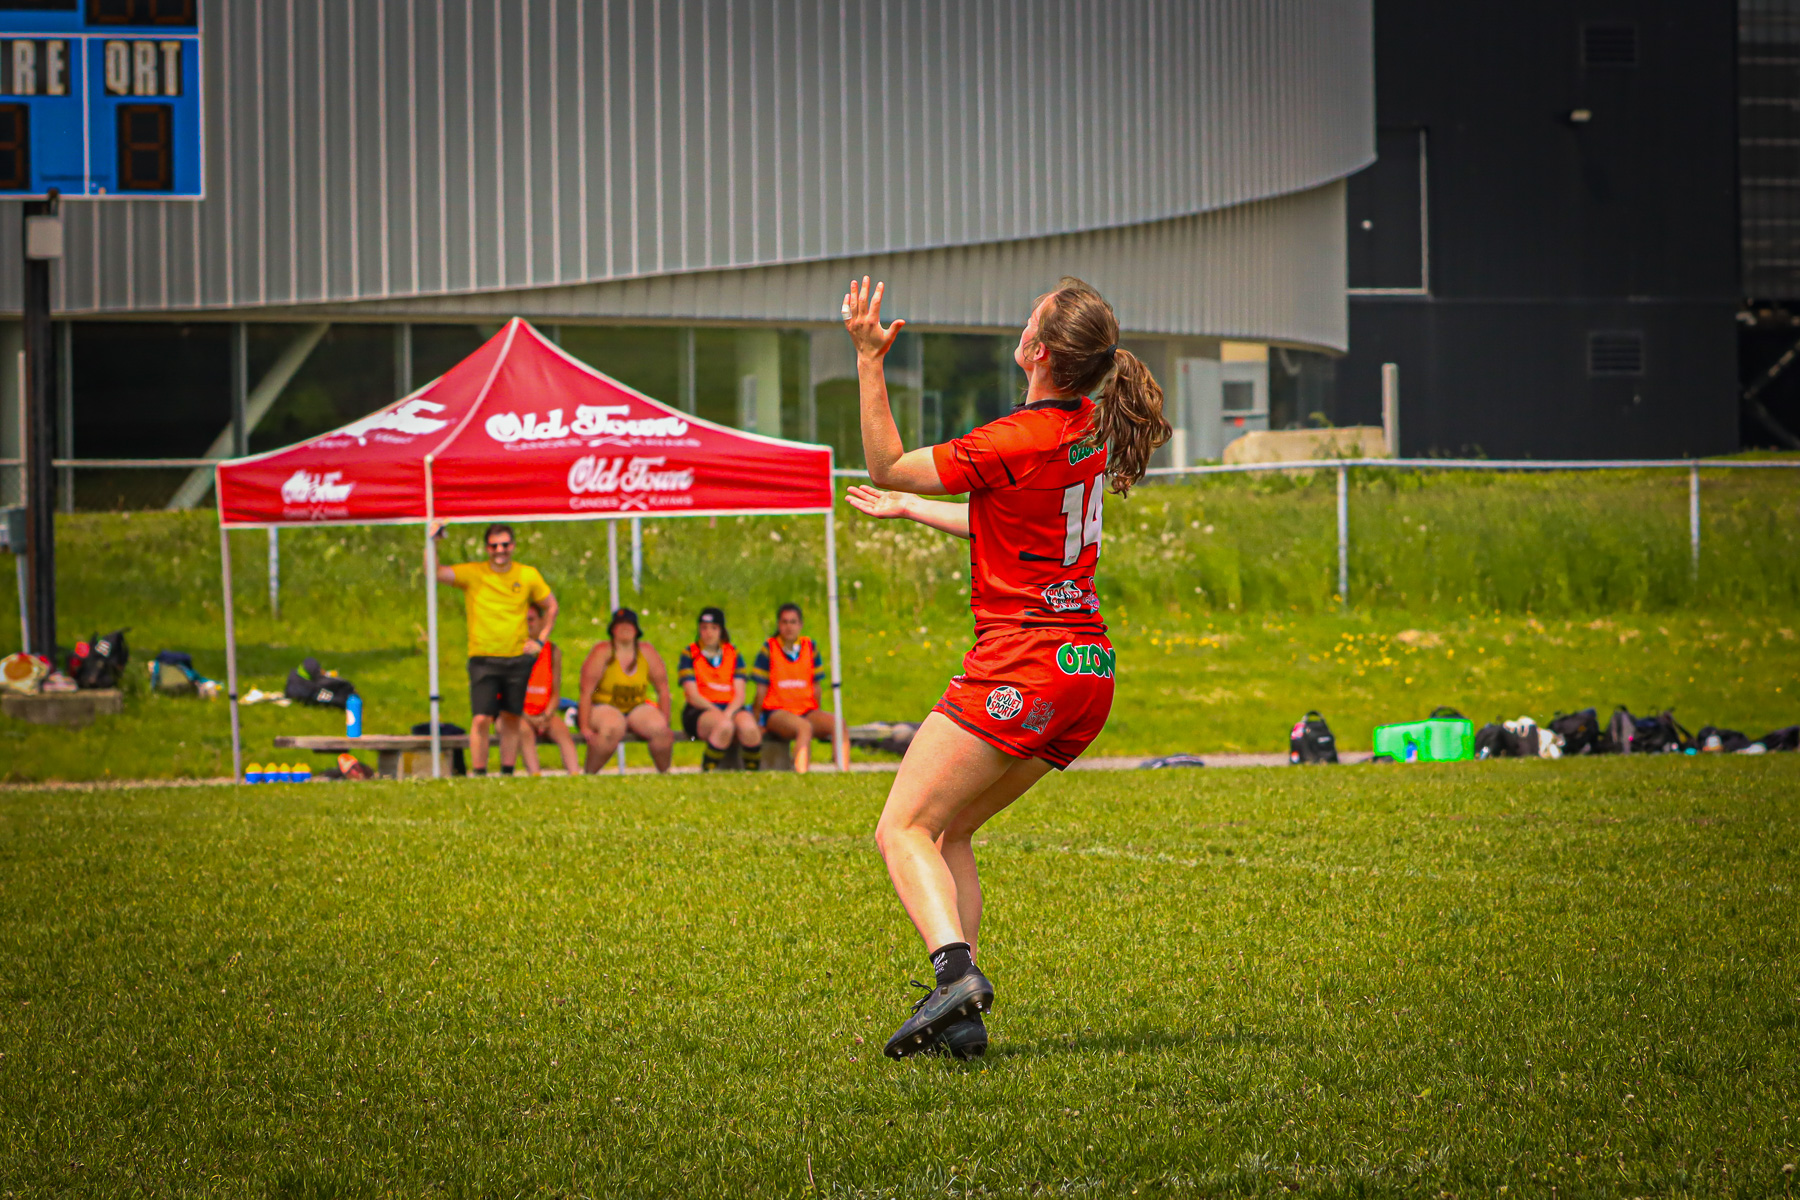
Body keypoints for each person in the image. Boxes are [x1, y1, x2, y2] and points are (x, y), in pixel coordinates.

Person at [841, 275, 1169, 1060]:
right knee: (951, 829)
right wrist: (914, 510)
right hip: (1084, 669)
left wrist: (867, 358)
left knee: (902, 830)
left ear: (1040, 353)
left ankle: (953, 976)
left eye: (1027, 323)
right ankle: (964, 1016)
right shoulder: (1090, 421)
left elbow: (886, 461)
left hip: (1020, 662)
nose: (1017, 330)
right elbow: (1009, 517)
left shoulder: (1016, 435)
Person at [429, 520, 558, 777]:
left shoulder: (527, 575)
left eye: (505, 544)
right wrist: (432, 542)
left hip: (517, 658)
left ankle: (507, 772)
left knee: (511, 717)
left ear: (513, 545)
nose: (500, 550)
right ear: (487, 548)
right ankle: (479, 773)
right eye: (494, 545)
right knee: (481, 718)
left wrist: (540, 640)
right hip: (483, 657)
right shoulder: (475, 573)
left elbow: (551, 606)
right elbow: (436, 573)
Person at [577, 606, 676, 774]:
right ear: (612, 630)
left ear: (637, 630)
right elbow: (586, 691)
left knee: (661, 731)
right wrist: (584, 726)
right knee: (612, 728)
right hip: (604, 705)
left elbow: (663, 689)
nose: (625, 628)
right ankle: (589, 774)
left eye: (629, 625)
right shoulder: (602, 652)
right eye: (620, 625)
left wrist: (665, 720)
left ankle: (664, 775)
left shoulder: (647, 652)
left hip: (636, 707)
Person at [750, 602, 837, 774]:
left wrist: (817, 712)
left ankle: (843, 772)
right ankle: (801, 773)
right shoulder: (769, 648)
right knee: (803, 727)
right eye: (785, 622)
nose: (789, 627)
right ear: (778, 625)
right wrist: (756, 720)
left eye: (793, 622)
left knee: (838, 724)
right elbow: (761, 690)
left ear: (800, 625)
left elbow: (816, 686)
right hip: (777, 712)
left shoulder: (810, 647)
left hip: (805, 710)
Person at [677, 606, 762, 772]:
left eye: (713, 628)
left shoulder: (733, 653)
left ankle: (753, 774)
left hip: (730, 707)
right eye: (704, 628)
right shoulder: (690, 653)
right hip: (700, 709)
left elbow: (740, 694)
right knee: (724, 726)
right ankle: (709, 770)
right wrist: (717, 713)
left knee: (749, 728)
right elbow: (692, 694)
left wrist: (728, 713)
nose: (708, 633)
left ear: (721, 631)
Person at [518, 608, 584, 776]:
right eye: (524, 620)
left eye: (531, 619)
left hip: (542, 711)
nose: (528, 624)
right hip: (518, 713)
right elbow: (507, 696)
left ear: (542, 622)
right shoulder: (513, 649)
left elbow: (555, 692)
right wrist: (528, 717)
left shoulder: (552, 651)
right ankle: (535, 775)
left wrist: (546, 716)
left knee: (562, 730)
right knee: (523, 730)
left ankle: (575, 775)